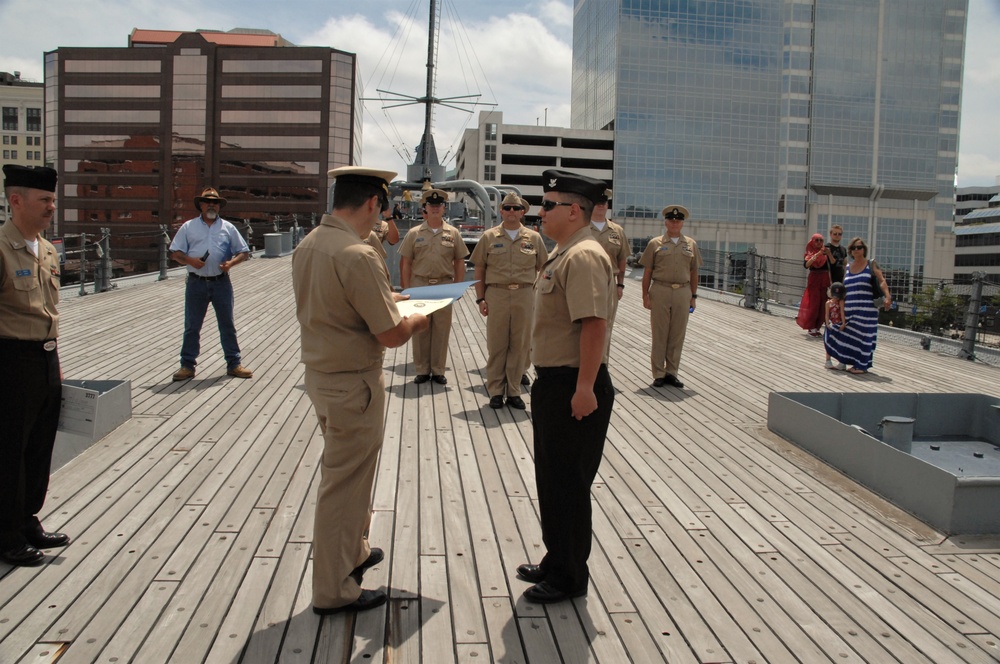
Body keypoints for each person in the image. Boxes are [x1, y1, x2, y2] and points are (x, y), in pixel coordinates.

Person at [292, 166, 429, 615]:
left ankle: (353, 552)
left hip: (323, 377)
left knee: (349, 479)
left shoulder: (311, 243)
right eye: (382, 208)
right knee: (344, 486)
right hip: (354, 385)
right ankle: (334, 590)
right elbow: (390, 335)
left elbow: (345, 304)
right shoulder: (358, 254)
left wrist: (392, 301)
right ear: (374, 203)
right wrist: (422, 315)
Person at [515, 169, 615, 604]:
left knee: (569, 484)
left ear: (574, 211)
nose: (541, 213)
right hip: (554, 382)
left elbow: (594, 325)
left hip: (574, 383)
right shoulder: (564, 252)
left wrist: (585, 388)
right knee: (551, 478)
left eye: (548, 205)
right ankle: (558, 559)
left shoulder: (584, 255)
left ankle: (570, 576)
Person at [0, 165, 71, 567]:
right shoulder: (0, 247)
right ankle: (5, 534)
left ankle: (27, 520)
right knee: (8, 451)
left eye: (52, 200)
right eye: (44, 200)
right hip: (9, 360)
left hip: (45, 356)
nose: (51, 207)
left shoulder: (46, 249)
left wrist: (54, 362)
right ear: (16, 200)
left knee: (38, 447)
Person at [470, 192, 547, 409]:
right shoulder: (489, 237)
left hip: (524, 294)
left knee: (520, 345)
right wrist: (480, 298)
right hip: (497, 294)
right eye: (507, 208)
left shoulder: (534, 238)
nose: (511, 211)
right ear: (501, 211)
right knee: (497, 344)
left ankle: (513, 390)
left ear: (522, 212)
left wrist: (539, 297)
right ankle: (495, 390)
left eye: (516, 208)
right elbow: (480, 268)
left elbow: (544, 268)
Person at [169, 187, 253, 381]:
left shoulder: (228, 228)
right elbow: (176, 253)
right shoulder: (188, 227)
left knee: (227, 324)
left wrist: (231, 263)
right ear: (200, 204)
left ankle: (234, 364)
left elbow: (244, 251)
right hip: (196, 283)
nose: (211, 205)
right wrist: (191, 261)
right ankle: (187, 366)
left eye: (215, 202)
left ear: (219, 206)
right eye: (208, 202)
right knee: (192, 325)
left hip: (221, 282)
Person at [399, 189, 468, 385]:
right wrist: (406, 290)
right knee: (420, 328)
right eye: (431, 206)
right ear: (425, 209)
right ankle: (422, 369)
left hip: (444, 285)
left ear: (444, 209)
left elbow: (459, 261)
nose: (435, 208)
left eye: (438, 206)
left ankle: (438, 370)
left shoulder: (453, 233)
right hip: (420, 285)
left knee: (441, 329)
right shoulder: (414, 233)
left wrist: (458, 288)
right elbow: (406, 263)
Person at [639, 204, 703, 389]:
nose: (675, 223)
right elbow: (647, 271)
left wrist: (693, 296)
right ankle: (658, 373)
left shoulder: (690, 244)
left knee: (677, 334)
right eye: (672, 220)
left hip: (683, 292)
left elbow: (694, 272)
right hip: (660, 289)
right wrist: (645, 295)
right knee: (659, 333)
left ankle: (672, 372)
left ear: (682, 223)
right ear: (666, 222)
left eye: (678, 221)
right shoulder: (655, 244)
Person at [824, 237, 891, 374]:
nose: (856, 250)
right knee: (841, 333)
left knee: (863, 337)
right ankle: (843, 361)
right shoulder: (848, 267)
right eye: (853, 248)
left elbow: (882, 280)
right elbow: (843, 288)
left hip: (867, 309)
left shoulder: (871, 264)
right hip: (849, 308)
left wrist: (888, 297)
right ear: (850, 251)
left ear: (864, 249)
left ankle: (861, 365)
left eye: (859, 247)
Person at [590, 189, 630, 336]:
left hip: (609, 282)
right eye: (598, 203)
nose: (601, 206)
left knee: (606, 324)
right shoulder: (581, 228)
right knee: (584, 322)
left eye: (604, 203)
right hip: (585, 279)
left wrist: (620, 285)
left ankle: (603, 359)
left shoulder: (617, 231)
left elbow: (622, 258)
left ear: (607, 205)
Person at [795, 233, 831, 337]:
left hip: (824, 280)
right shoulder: (810, 253)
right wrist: (817, 255)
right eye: (817, 240)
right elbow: (806, 265)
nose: (819, 243)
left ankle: (818, 327)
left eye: (821, 240)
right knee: (814, 303)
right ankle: (811, 327)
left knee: (823, 304)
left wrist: (827, 254)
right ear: (812, 241)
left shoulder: (826, 252)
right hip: (814, 279)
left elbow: (832, 264)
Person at [824, 282, 848, 370]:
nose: (835, 297)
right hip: (831, 325)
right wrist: (827, 323)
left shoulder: (841, 302)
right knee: (828, 342)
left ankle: (842, 362)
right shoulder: (827, 303)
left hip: (838, 324)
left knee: (840, 343)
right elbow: (827, 314)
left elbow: (842, 312)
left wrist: (843, 323)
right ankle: (828, 361)